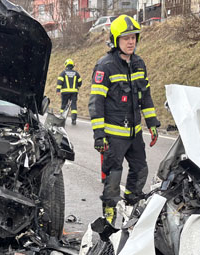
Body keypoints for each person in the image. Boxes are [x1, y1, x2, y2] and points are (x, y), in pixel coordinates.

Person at [88, 15, 160, 224]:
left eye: (134, 37)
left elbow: (145, 96)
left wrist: (153, 124)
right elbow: (96, 102)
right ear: (115, 40)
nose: (131, 42)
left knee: (140, 169)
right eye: (126, 38)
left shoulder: (139, 63)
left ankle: (130, 204)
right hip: (113, 135)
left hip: (134, 133)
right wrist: (99, 135)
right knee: (113, 174)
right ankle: (109, 213)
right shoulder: (105, 65)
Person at [56, 59, 82, 125]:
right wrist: (77, 88)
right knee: (73, 106)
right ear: (72, 65)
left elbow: (59, 82)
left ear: (66, 65)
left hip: (65, 92)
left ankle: (62, 119)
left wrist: (58, 90)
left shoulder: (63, 73)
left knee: (64, 105)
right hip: (74, 92)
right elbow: (80, 82)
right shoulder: (76, 73)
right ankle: (73, 120)